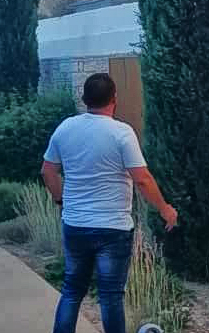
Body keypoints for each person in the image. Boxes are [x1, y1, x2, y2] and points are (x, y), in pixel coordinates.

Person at [42, 73, 178, 333]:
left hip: (76, 225)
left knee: (72, 289)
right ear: (114, 98)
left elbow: (48, 171)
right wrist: (165, 210)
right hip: (112, 229)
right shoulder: (122, 133)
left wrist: (61, 199)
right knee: (111, 295)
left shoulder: (65, 128)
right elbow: (143, 180)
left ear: (84, 99)